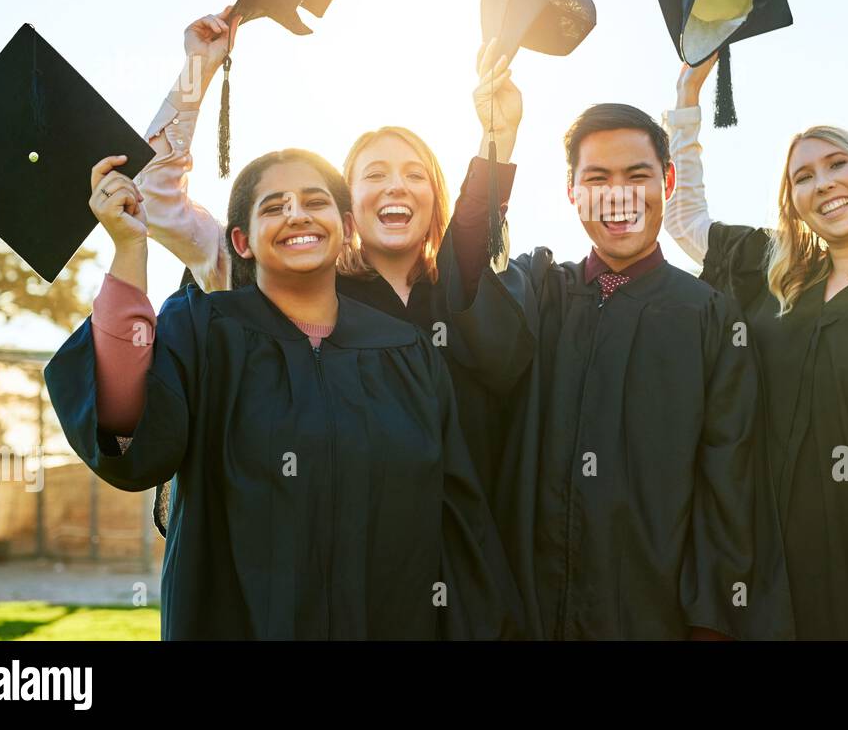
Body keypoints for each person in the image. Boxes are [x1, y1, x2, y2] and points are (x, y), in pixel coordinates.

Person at [43, 149, 521, 639]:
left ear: (346, 227)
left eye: (315, 202)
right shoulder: (205, 330)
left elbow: (458, 516)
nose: (296, 214)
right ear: (241, 242)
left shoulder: (406, 352)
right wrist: (129, 248)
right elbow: (124, 419)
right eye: (274, 207)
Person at [433, 84, 793, 639]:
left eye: (638, 175)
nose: (618, 195)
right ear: (572, 192)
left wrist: (709, 627)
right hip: (529, 614)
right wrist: (496, 145)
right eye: (597, 179)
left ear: (667, 183)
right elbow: (471, 293)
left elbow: (731, 485)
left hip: (653, 619)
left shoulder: (711, 318)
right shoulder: (543, 291)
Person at [136, 11, 527, 503]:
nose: (395, 186)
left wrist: (500, 132)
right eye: (375, 174)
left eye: (414, 174)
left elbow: (477, 223)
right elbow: (157, 202)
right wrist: (198, 69)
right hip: (335, 550)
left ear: (437, 198)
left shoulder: (468, 300)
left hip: (459, 554)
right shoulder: (301, 289)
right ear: (345, 211)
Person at [662, 58, 848, 639]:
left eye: (836, 164)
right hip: (760, 561)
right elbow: (684, 219)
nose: (822, 182)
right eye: (803, 176)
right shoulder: (773, 274)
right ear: (793, 200)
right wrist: (687, 97)